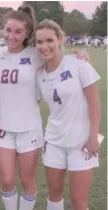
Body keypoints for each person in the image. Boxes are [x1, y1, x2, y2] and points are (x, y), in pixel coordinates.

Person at [0, 6, 90, 210]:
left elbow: (59, 59)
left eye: (18, 31)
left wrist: (81, 56)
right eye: (9, 30)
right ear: (3, 29)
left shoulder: (35, 53)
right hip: (3, 126)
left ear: (27, 33)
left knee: (27, 181)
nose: (12, 35)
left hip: (29, 127)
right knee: (8, 180)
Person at [35, 19, 101, 210]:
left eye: (49, 40)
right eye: (39, 42)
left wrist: (93, 136)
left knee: (79, 200)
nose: (44, 46)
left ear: (60, 39)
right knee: (54, 193)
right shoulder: (39, 74)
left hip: (81, 143)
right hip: (54, 141)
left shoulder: (78, 64)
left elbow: (94, 103)